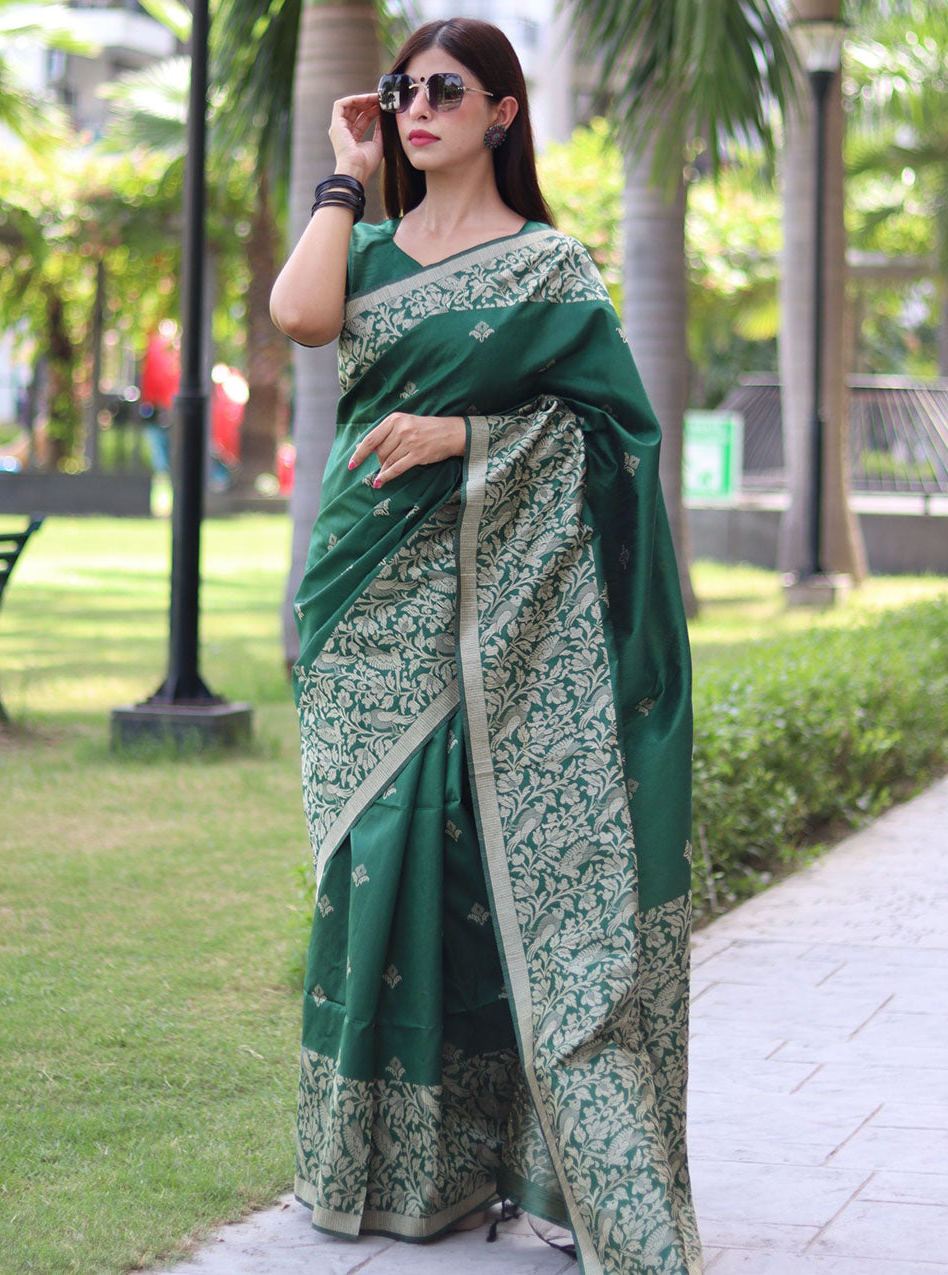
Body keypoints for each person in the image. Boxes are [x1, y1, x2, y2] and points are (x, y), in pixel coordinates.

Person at [270, 17, 703, 1275]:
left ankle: (518, 1166)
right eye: (401, 91)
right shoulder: (362, 244)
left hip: (506, 603)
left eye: (443, 91)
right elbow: (300, 317)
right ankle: (389, 1167)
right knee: (376, 856)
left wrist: (470, 440)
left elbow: (615, 442)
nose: (415, 107)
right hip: (362, 598)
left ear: (503, 111)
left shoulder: (551, 269)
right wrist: (344, 165)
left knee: (490, 853)